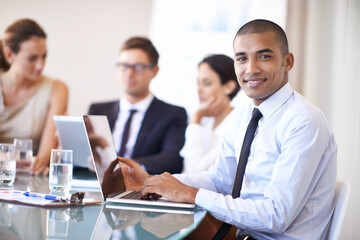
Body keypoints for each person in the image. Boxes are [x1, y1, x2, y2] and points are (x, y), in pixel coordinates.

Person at [114, 19, 338, 240]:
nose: (251, 69)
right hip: (239, 234)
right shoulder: (243, 115)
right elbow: (220, 180)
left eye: (264, 56)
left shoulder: (304, 121)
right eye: (242, 58)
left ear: (287, 62)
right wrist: (154, 182)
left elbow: (275, 217)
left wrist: (190, 194)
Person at [88, 37, 187, 175]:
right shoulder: (97, 110)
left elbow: (172, 160)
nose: (129, 73)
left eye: (138, 67)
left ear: (154, 71)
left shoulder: (173, 114)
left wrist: (126, 166)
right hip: (97, 185)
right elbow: (87, 153)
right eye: (124, 66)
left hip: (139, 188)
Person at [0, 18, 68, 175]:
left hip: (30, 177)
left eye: (44, 56)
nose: (41, 65)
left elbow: (45, 157)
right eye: (32, 58)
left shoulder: (57, 89)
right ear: (9, 54)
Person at [180, 54, 240, 173]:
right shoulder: (205, 119)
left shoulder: (237, 123)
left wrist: (196, 119)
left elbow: (195, 172)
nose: (199, 90)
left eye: (206, 83)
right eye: (198, 83)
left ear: (229, 87)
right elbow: (186, 170)